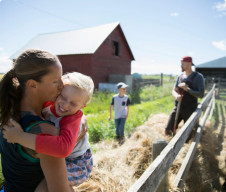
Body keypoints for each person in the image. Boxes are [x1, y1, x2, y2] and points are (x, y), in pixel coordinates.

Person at [0, 49, 78, 192]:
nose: (62, 86)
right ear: (32, 85)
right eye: (55, 81)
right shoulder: (46, 134)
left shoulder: (10, 113)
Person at [3, 72, 94, 189]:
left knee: (45, 186)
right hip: (66, 158)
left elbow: (63, 148)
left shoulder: (72, 119)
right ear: (58, 91)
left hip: (77, 162)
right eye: (63, 97)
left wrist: (20, 137)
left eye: (73, 103)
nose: (65, 105)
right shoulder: (50, 104)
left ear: (81, 107)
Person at [164, 56, 205, 136]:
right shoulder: (180, 76)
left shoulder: (198, 77)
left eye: (183, 64)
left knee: (188, 135)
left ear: (189, 64)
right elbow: (174, 90)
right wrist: (176, 96)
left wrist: (187, 89)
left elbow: (201, 94)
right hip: (178, 107)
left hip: (190, 109)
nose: (181, 65)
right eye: (181, 63)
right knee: (168, 130)